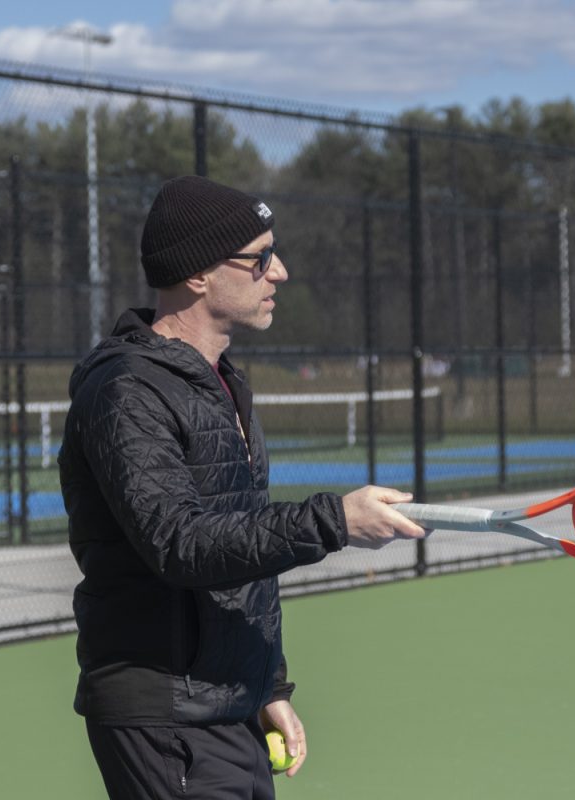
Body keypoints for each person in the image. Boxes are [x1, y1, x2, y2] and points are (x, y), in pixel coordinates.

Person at [58, 175, 426, 799]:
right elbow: (183, 544)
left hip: (226, 705)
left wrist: (268, 686)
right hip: (163, 711)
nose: (278, 272)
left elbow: (239, 553)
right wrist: (333, 520)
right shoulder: (127, 391)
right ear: (199, 275)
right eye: (259, 258)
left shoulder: (221, 382)